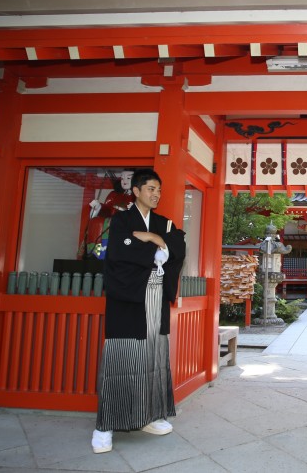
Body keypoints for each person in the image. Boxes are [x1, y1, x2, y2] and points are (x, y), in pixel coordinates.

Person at [91, 168, 186, 454]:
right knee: (121, 360)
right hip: (129, 298)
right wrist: (154, 248)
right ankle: (104, 427)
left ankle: (148, 416)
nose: (156, 194)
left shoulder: (162, 224)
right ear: (136, 191)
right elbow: (119, 254)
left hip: (156, 297)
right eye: (150, 189)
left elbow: (177, 247)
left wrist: (156, 240)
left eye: (158, 190)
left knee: (154, 357)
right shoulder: (121, 220)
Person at [81, 169, 135, 260]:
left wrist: (134, 209)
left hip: (124, 222)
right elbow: (107, 209)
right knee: (96, 221)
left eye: (128, 178)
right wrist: (99, 206)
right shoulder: (114, 195)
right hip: (110, 219)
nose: (124, 181)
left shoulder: (137, 197)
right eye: (122, 178)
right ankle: (95, 251)